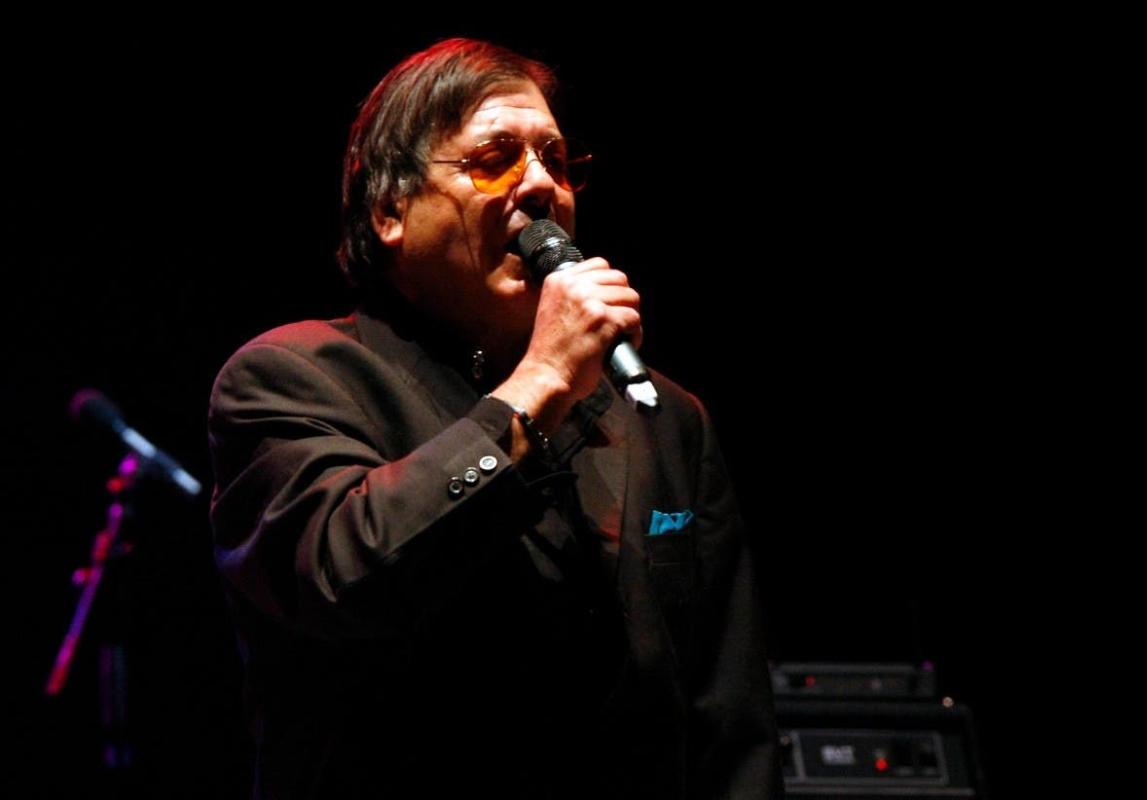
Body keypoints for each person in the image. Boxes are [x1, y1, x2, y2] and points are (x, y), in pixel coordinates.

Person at [208, 38, 781, 799]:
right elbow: (345, 576)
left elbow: (729, 717)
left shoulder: (662, 414)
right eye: (495, 159)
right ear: (389, 211)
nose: (542, 185)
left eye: (555, 159)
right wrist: (543, 378)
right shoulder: (295, 377)